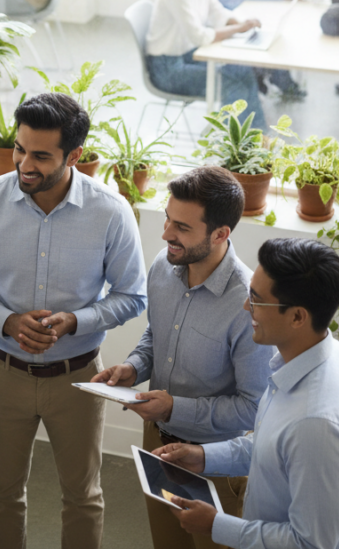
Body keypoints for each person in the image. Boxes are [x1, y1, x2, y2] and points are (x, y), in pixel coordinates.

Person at [0, 92, 148, 549]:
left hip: (78, 377)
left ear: (75, 156)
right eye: (20, 149)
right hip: (4, 374)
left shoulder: (111, 212)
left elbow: (133, 295)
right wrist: (6, 321)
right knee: (1, 494)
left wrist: (76, 320)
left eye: (41, 156)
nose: (24, 163)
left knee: (83, 496)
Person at [90, 166, 273, 549]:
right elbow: (157, 335)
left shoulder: (247, 304)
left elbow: (255, 408)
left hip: (215, 459)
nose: (166, 234)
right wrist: (134, 366)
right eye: (168, 220)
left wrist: (175, 408)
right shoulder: (164, 265)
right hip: (157, 443)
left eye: (182, 228)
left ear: (221, 234)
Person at [154, 238, 339, 549]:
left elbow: (310, 544)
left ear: (298, 317)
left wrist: (218, 526)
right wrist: (205, 456)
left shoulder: (317, 425)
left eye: (256, 300)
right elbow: (275, 447)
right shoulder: (319, 355)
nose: (246, 307)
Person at [145, 0, 266, 126]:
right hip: (168, 69)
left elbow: (216, 11)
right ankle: (233, 141)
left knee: (241, 72)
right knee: (231, 82)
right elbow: (199, 37)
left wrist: (241, 23)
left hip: (186, 56)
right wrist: (237, 29)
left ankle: (255, 137)